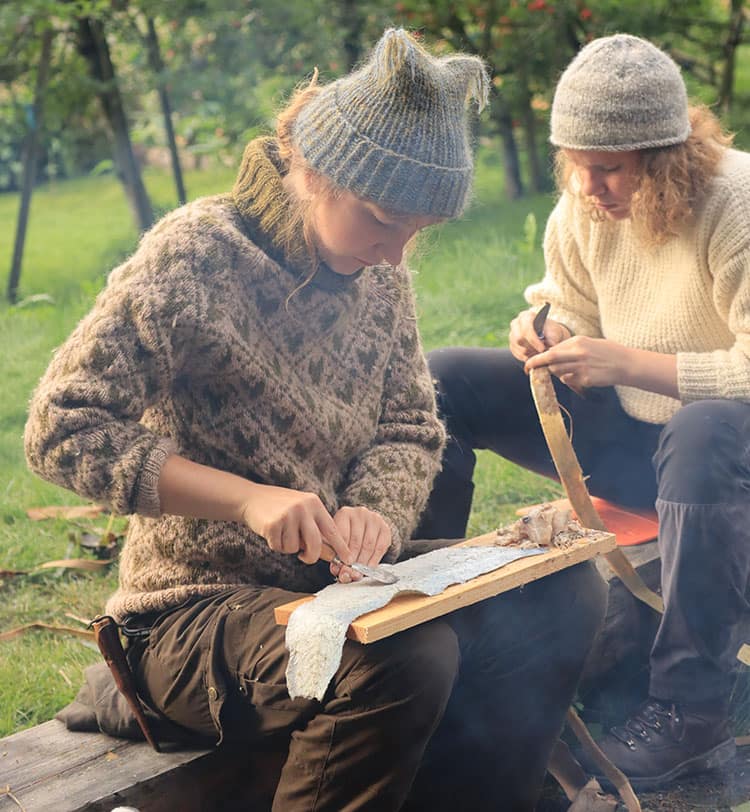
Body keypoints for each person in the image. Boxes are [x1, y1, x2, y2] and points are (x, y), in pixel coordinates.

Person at [24, 28, 606, 810]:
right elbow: (61, 428)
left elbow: (408, 425)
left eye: (417, 232)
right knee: (398, 657)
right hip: (184, 615)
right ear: (317, 173)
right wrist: (246, 499)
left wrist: (375, 512)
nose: (397, 256)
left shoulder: (379, 281)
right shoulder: (194, 259)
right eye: (381, 219)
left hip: (332, 593)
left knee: (563, 594)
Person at [418, 33, 750, 790]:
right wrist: (545, 329)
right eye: (576, 164)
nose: (587, 186)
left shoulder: (737, 203)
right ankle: (414, 623)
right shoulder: (586, 201)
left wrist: (625, 363)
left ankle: (690, 714)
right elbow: (566, 299)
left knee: (701, 430)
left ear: (664, 158)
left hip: (727, 458)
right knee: (445, 379)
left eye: (608, 169)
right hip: (636, 442)